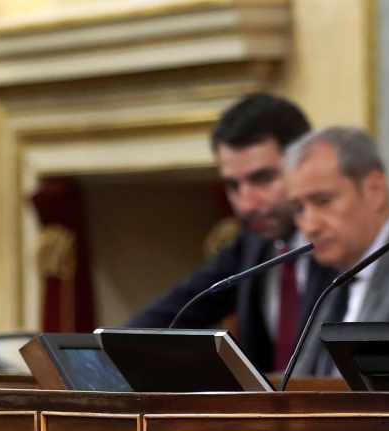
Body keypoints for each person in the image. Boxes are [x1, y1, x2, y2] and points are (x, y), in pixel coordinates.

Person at [126, 92, 315, 373]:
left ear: (305, 165)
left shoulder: (342, 247)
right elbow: (172, 315)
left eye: (262, 179)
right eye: (233, 186)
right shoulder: (252, 243)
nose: (246, 204)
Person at [281, 126, 389, 378]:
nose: (309, 226)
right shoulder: (334, 278)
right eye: (298, 208)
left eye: (323, 201)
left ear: (374, 190)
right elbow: (301, 383)